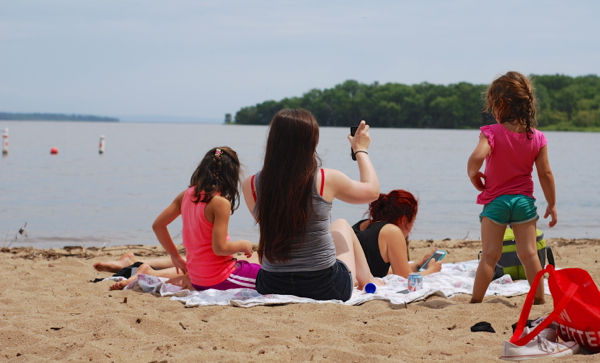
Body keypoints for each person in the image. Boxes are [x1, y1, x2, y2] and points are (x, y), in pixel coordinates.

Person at [241, 109, 383, 302]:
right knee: (341, 225)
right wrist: (361, 150)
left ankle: (367, 279)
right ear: (311, 142)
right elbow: (372, 192)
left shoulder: (250, 184)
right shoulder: (325, 178)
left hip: (271, 283)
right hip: (324, 286)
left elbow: (274, 225)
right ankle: (367, 280)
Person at [109, 146, 261, 291]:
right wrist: (243, 243)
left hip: (197, 276)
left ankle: (151, 273)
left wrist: (175, 257)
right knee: (268, 278)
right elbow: (219, 248)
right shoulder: (220, 203)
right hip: (218, 277)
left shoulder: (187, 195)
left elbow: (158, 225)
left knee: (251, 266)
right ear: (231, 175)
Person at [467, 71, 557, 304]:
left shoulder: (492, 132)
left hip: (497, 201)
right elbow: (545, 174)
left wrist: (473, 174)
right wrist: (552, 203)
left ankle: (476, 301)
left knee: (489, 255)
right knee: (528, 253)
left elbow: (477, 158)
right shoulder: (536, 137)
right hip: (524, 202)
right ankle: (538, 299)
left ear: (500, 104)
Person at [352, 190, 443, 278]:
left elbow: (384, 271)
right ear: (403, 220)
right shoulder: (391, 231)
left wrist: (420, 264)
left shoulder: (363, 224)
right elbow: (405, 279)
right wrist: (432, 270)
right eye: (412, 222)